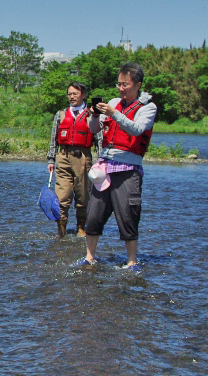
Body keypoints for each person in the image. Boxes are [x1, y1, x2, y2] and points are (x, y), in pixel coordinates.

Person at [76, 62, 157, 271]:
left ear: (137, 84)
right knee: (94, 214)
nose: (121, 89)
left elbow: (137, 129)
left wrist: (113, 113)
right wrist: (95, 116)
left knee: (128, 214)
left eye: (125, 85)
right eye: (119, 84)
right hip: (105, 166)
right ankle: (89, 257)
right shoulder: (113, 102)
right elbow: (94, 130)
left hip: (128, 169)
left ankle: (131, 261)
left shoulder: (148, 107)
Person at [47, 81, 97, 238]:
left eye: (75, 93)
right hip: (63, 157)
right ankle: (61, 230)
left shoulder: (92, 115)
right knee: (62, 196)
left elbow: (99, 139)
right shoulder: (60, 114)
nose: (72, 97)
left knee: (83, 196)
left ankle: (81, 227)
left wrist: (102, 162)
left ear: (83, 95)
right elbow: (53, 138)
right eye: (69, 94)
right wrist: (50, 160)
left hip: (83, 157)